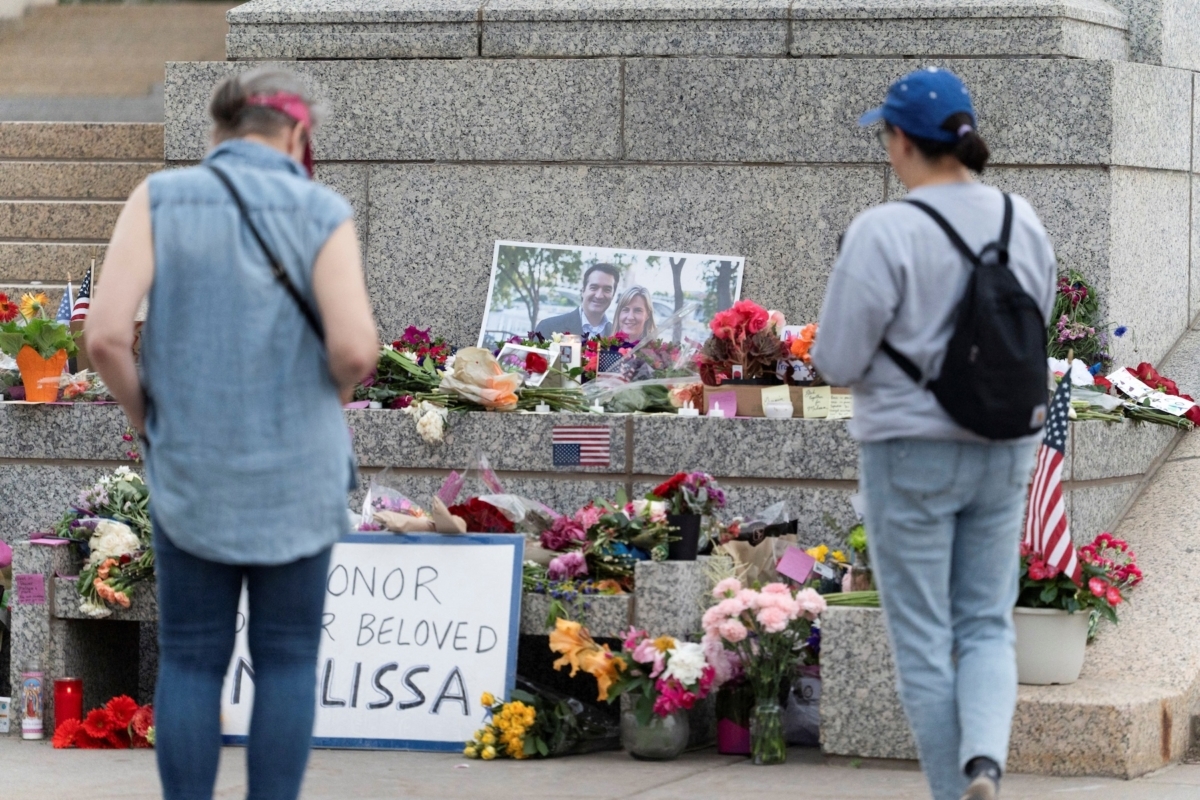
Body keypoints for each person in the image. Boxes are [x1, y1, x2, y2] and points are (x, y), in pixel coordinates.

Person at [86, 67, 378, 800]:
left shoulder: (159, 199)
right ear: (298, 135)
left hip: (191, 469)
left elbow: (104, 339)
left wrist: (145, 416)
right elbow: (354, 352)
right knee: (285, 659)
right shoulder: (322, 212)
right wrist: (326, 403)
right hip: (298, 475)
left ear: (217, 130)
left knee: (188, 660)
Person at [811, 67, 1056, 800]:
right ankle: (985, 761)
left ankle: (955, 795)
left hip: (908, 451)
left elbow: (838, 359)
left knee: (922, 640)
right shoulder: (1023, 219)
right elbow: (1031, 323)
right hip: (1006, 445)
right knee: (985, 622)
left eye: (885, 136)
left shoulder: (883, 230)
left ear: (901, 141)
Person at [533, 262, 619, 337]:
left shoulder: (617, 335)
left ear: (613, 295)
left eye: (607, 289)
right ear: (583, 291)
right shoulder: (548, 327)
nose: (599, 295)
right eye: (594, 287)